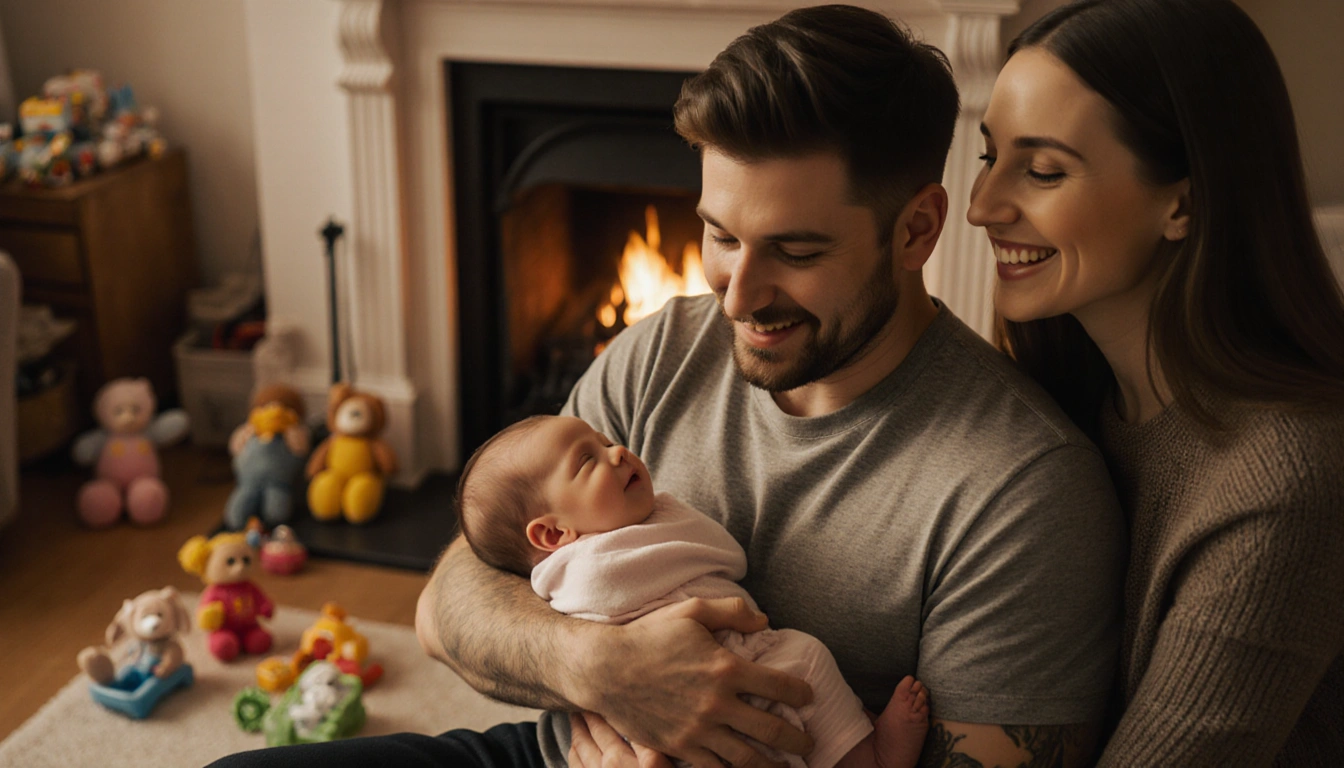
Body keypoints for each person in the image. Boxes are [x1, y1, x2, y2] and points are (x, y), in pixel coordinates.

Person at [210, 5, 1126, 768]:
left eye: (796, 252)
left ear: (918, 231)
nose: (739, 292)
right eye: (721, 236)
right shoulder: (667, 348)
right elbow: (449, 604)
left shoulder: (1023, 490)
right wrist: (597, 668)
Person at [965, 0, 1344, 764]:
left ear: (1184, 203)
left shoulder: (1288, 480)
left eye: (1042, 170)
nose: (981, 207)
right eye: (988, 157)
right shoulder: (1053, 411)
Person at [456, 413, 931, 768]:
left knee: (807, 661)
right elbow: (724, 556)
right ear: (553, 536)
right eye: (588, 461)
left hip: (750, 672)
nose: (617, 451)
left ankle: (871, 756)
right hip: (635, 737)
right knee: (804, 663)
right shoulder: (582, 571)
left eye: (605, 442)